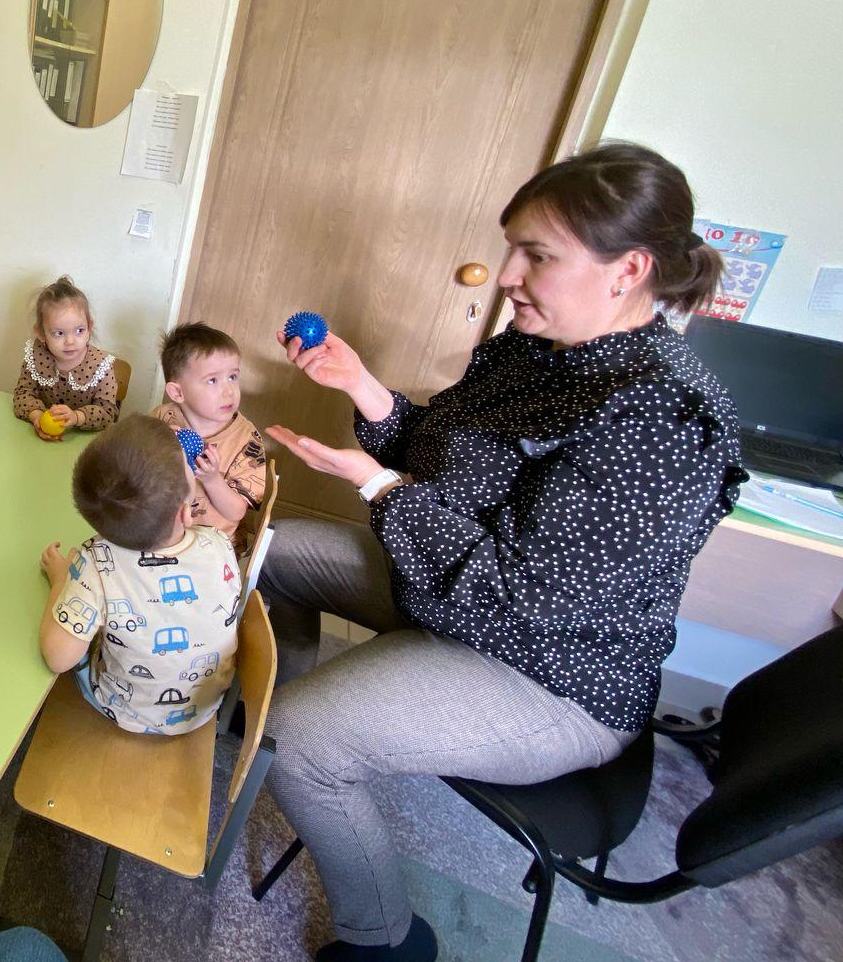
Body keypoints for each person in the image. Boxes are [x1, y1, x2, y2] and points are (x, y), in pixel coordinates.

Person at [257, 143, 747, 961]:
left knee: (303, 740)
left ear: (627, 270)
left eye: (538, 256)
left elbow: (521, 595)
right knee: (267, 551)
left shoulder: (661, 418)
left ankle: (387, 942)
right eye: (512, 247)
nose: (509, 274)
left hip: (551, 673)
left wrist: (380, 488)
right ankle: (268, 714)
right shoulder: (536, 347)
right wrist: (363, 388)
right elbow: (441, 457)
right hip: (452, 593)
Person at [37, 415, 242, 735]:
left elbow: (58, 658)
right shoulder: (218, 543)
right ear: (185, 512)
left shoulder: (94, 564)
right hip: (204, 707)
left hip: (126, 711)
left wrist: (63, 581)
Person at [152, 321, 268, 545]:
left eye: (233, 377)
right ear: (177, 392)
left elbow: (236, 512)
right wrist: (155, 443)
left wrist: (212, 479)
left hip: (212, 545)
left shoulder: (246, 439)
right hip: (162, 534)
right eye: (212, 380)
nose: (229, 391)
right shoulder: (162, 418)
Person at [13, 276, 120, 441]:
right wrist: (37, 417)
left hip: (84, 445)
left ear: (89, 327)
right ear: (41, 333)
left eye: (79, 330)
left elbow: (107, 412)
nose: (70, 341)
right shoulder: (35, 358)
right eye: (59, 333)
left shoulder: (101, 367)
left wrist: (77, 417)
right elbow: (22, 394)